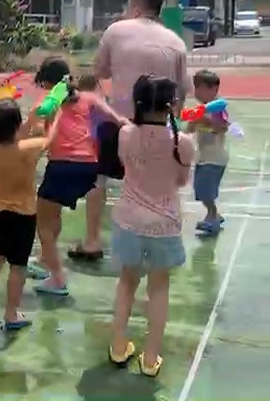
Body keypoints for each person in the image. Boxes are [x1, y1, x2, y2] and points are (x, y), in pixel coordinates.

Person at [86, 0, 188, 262]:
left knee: (98, 180)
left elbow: (100, 70)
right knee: (158, 181)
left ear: (136, 8)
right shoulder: (175, 41)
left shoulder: (117, 30)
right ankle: (158, 235)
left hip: (119, 120)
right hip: (159, 123)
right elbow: (183, 90)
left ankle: (92, 240)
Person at [108, 75, 195, 377]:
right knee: (158, 288)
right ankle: (150, 360)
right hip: (164, 223)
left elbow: (125, 165)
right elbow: (181, 181)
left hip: (128, 219)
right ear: (171, 105)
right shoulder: (182, 142)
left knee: (127, 282)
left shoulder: (126, 134)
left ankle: (119, 348)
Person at [31, 57, 126, 296]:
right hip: (88, 167)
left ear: (47, 81)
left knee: (43, 222)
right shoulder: (89, 98)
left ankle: (57, 278)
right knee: (53, 213)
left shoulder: (49, 101)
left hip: (62, 164)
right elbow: (119, 120)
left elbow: (39, 129)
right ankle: (46, 260)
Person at [0, 100, 50, 330]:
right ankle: (11, 313)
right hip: (23, 214)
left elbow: (15, 140)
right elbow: (50, 140)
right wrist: (50, 118)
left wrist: (29, 121)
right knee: (18, 266)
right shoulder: (29, 148)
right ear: (16, 124)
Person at [187, 70, 228, 236]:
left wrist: (206, 120)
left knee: (205, 190)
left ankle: (213, 216)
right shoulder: (201, 109)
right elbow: (190, 128)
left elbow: (223, 127)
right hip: (204, 156)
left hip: (215, 157)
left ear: (214, 89)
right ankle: (212, 214)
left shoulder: (218, 106)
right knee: (200, 189)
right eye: (195, 87)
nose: (196, 92)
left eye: (201, 88)